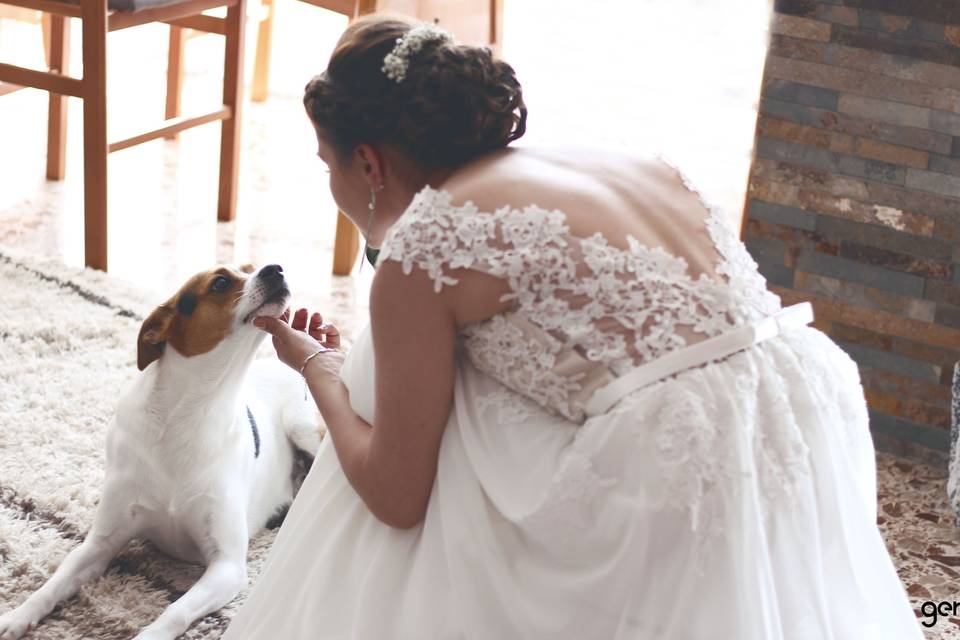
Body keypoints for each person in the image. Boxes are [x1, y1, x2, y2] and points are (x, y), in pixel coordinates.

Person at [221, 15, 923, 640]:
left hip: (679, 460)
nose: (331, 181)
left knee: (419, 411)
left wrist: (319, 372)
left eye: (327, 163)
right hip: (805, 407)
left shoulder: (425, 247)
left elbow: (396, 497)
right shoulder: (627, 158)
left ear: (367, 161)